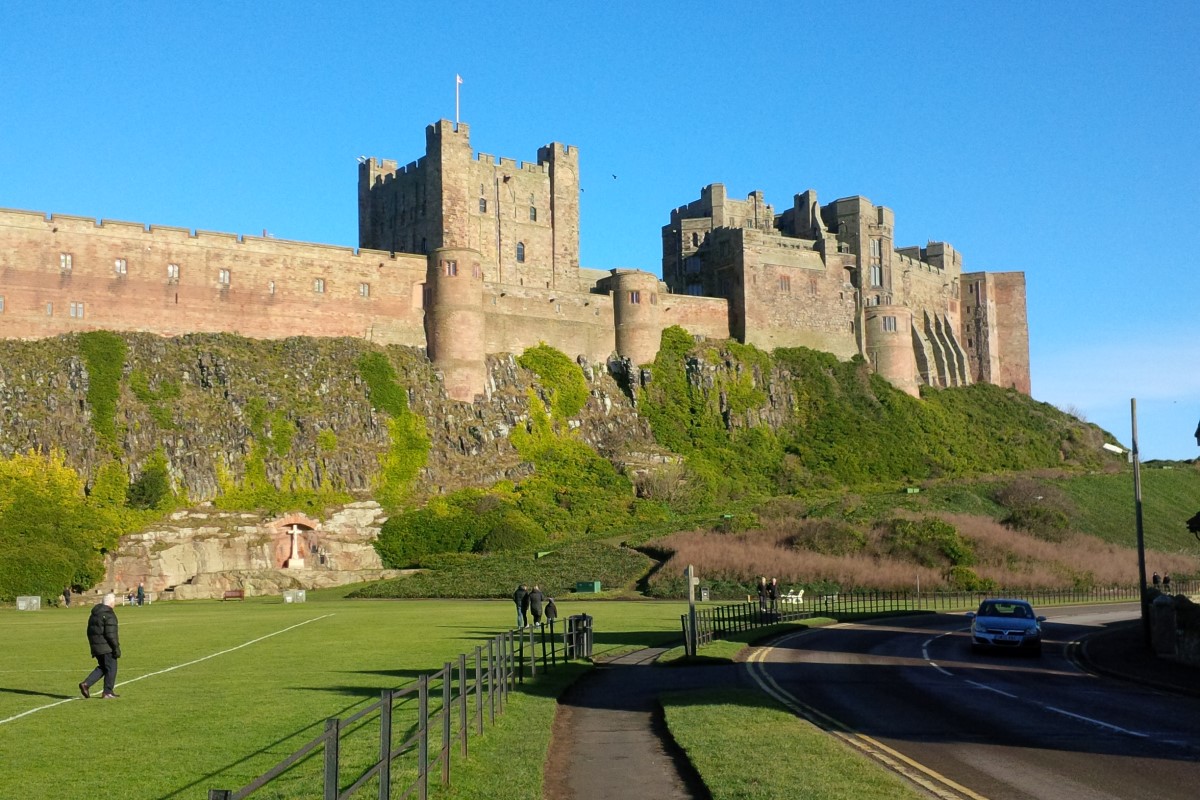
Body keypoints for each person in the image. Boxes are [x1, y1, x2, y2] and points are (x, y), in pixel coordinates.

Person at [79, 593, 121, 699]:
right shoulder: (109, 614)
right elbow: (111, 634)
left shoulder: (94, 614)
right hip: (106, 646)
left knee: (103, 667)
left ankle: (86, 684)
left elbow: (89, 631)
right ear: (111, 602)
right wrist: (116, 648)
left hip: (96, 645)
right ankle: (107, 692)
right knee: (111, 668)